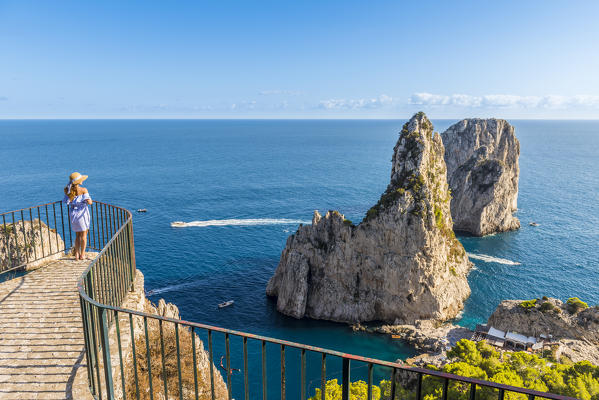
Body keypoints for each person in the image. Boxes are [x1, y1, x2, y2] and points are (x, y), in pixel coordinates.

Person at [63, 172, 93, 260]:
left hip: (73, 214)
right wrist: (89, 199)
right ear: (79, 182)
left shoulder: (68, 191)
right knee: (84, 235)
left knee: (77, 235)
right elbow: (90, 203)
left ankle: (76, 254)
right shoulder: (83, 190)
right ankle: (82, 254)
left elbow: (67, 201)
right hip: (81, 214)